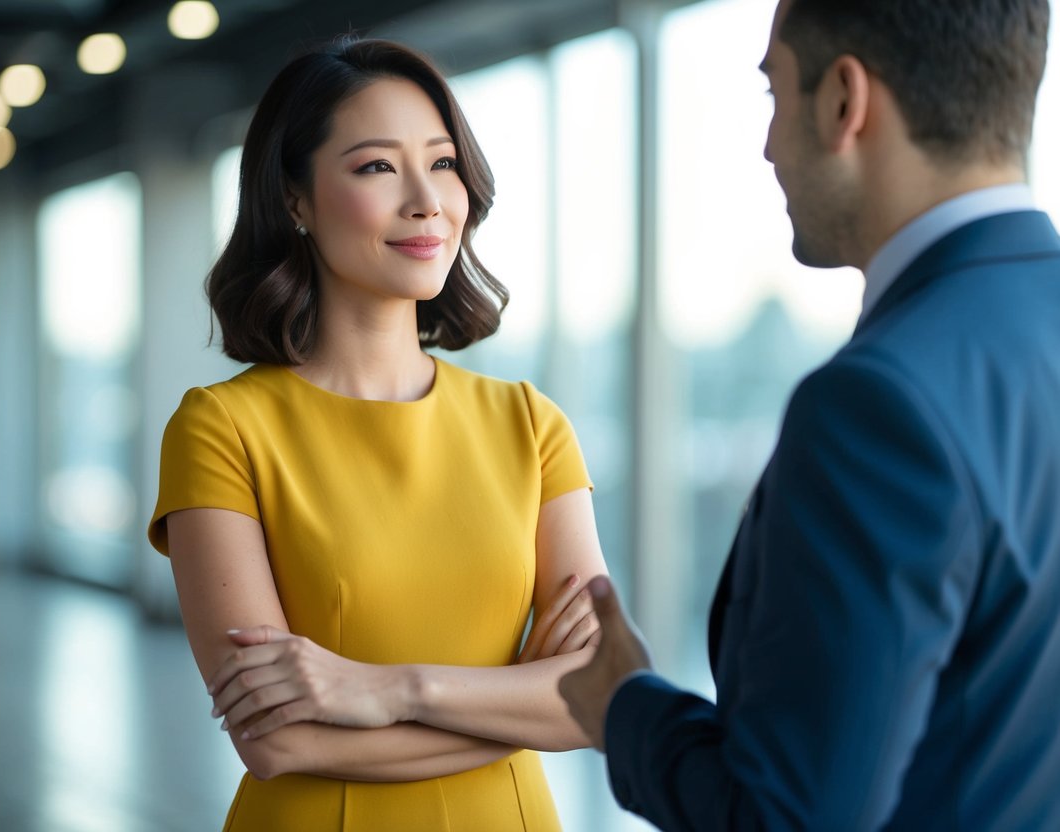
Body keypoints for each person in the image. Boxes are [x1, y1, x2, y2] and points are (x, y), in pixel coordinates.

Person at [559, 0, 1060, 829]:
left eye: (772, 95)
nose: (765, 145)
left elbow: (788, 820)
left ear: (841, 102)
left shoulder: (877, 405)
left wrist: (623, 706)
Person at [147, 37, 609, 832]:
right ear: (294, 198)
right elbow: (279, 740)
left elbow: (599, 698)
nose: (427, 200)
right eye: (375, 167)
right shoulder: (220, 429)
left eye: (441, 163)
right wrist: (521, 696)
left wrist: (384, 691)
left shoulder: (530, 424)